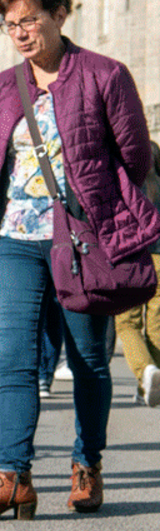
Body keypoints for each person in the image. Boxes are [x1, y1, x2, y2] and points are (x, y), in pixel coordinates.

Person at [0, 0, 160, 520]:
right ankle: (11, 478)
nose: (20, 32)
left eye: (30, 20)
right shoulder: (1, 89)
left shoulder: (104, 75)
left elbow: (137, 158)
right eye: (10, 24)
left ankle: (86, 465)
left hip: (84, 241)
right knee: (16, 362)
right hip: (18, 238)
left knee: (89, 362)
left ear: (59, 14)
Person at [113, 140, 160, 407]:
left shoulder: (128, 186)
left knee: (127, 323)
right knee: (156, 326)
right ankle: (148, 389)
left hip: (134, 258)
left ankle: (146, 373)